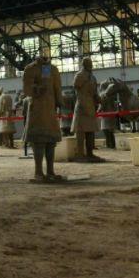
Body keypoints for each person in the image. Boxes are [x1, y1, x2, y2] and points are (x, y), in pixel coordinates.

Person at [23, 54, 64, 182]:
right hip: (37, 108)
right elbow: (27, 89)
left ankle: (50, 171)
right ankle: (38, 172)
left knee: (51, 142)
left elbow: (57, 87)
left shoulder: (53, 69)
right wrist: (37, 89)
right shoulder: (31, 68)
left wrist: (59, 102)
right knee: (38, 141)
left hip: (50, 108)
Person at [72, 57, 103, 162]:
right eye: (89, 63)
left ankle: (90, 153)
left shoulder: (93, 77)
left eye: (91, 63)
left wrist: (99, 99)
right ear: (84, 64)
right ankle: (80, 154)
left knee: (90, 131)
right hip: (81, 106)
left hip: (90, 106)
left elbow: (95, 93)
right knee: (80, 132)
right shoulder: (79, 75)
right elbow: (76, 89)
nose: (91, 65)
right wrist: (83, 103)